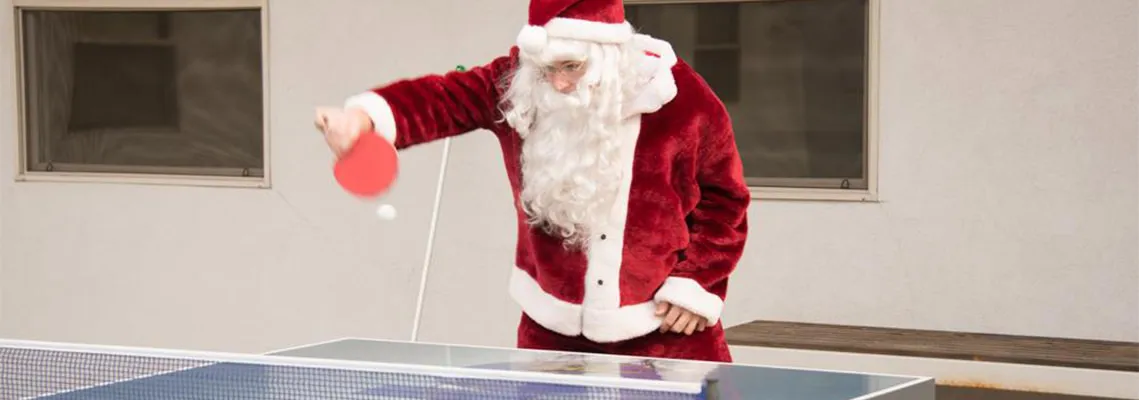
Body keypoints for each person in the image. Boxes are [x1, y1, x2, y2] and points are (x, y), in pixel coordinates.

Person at [315, 0, 750, 363]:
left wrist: (696, 285)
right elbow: (442, 99)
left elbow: (726, 199)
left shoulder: (682, 99)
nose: (559, 83)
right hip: (552, 339)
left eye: (572, 67)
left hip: (667, 335)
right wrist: (364, 118)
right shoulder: (518, 85)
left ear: (610, 55)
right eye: (546, 69)